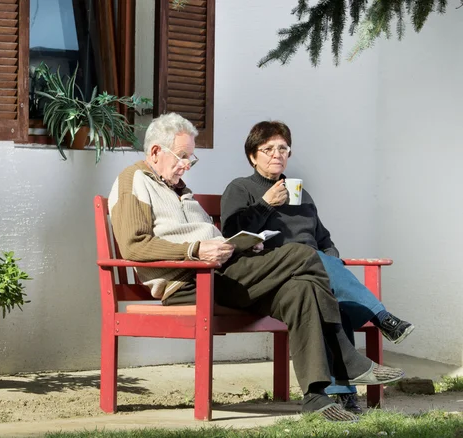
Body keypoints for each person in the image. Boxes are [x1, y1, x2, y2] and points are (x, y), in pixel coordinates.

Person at [108, 113, 405, 422]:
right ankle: (346, 357)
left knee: (301, 289)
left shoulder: (179, 189)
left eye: (190, 158)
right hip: (192, 280)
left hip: (224, 271)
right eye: (182, 156)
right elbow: (134, 246)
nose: (186, 165)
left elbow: (216, 238)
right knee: (304, 256)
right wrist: (195, 250)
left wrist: (240, 244)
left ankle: (317, 397)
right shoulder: (134, 181)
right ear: (155, 152)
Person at [220, 120, 414, 413]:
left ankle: (341, 395)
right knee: (314, 270)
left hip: (311, 273)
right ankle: (382, 318)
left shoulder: (301, 194)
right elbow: (231, 232)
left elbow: (323, 239)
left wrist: (332, 261)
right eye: (268, 148)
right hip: (273, 274)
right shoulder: (241, 188)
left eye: (283, 148)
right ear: (252, 156)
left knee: (328, 289)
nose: (277, 154)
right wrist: (265, 203)